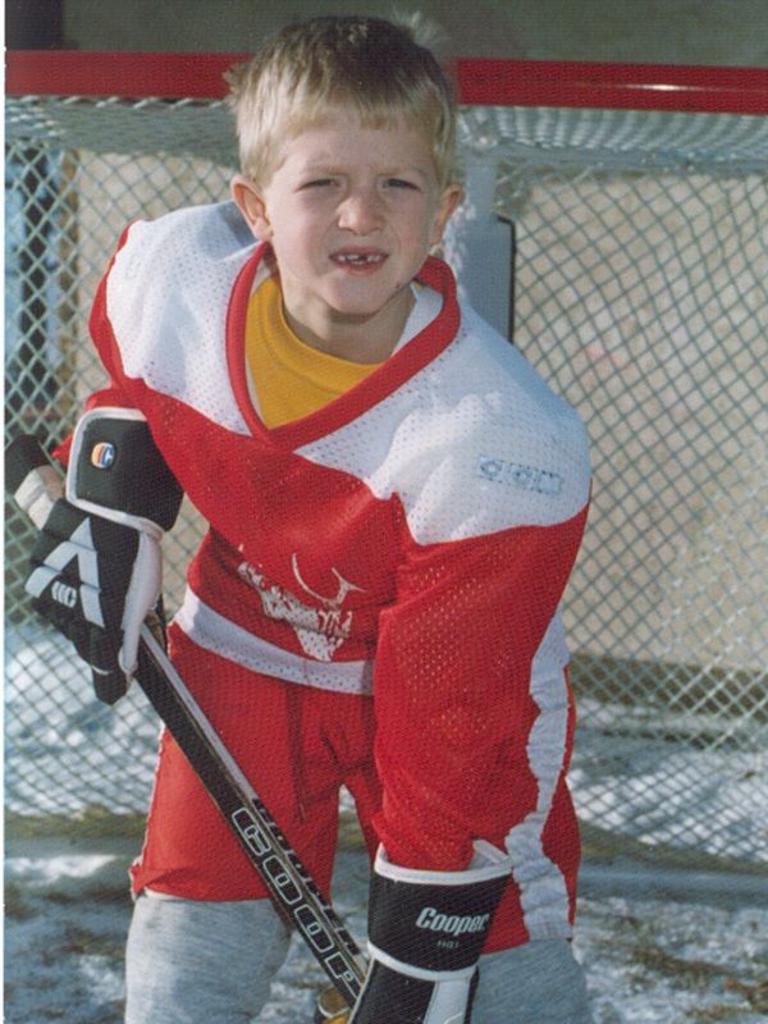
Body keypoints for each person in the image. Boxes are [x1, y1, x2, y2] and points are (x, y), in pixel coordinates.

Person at [25, 15, 593, 1024]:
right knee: (187, 954)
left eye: (398, 184)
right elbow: (139, 382)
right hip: (245, 648)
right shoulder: (177, 278)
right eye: (323, 181)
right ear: (252, 206)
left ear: (444, 212)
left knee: (502, 973)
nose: (360, 213)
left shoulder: (496, 435)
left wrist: (421, 964)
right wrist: (112, 505)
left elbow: (453, 718)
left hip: (446, 693)